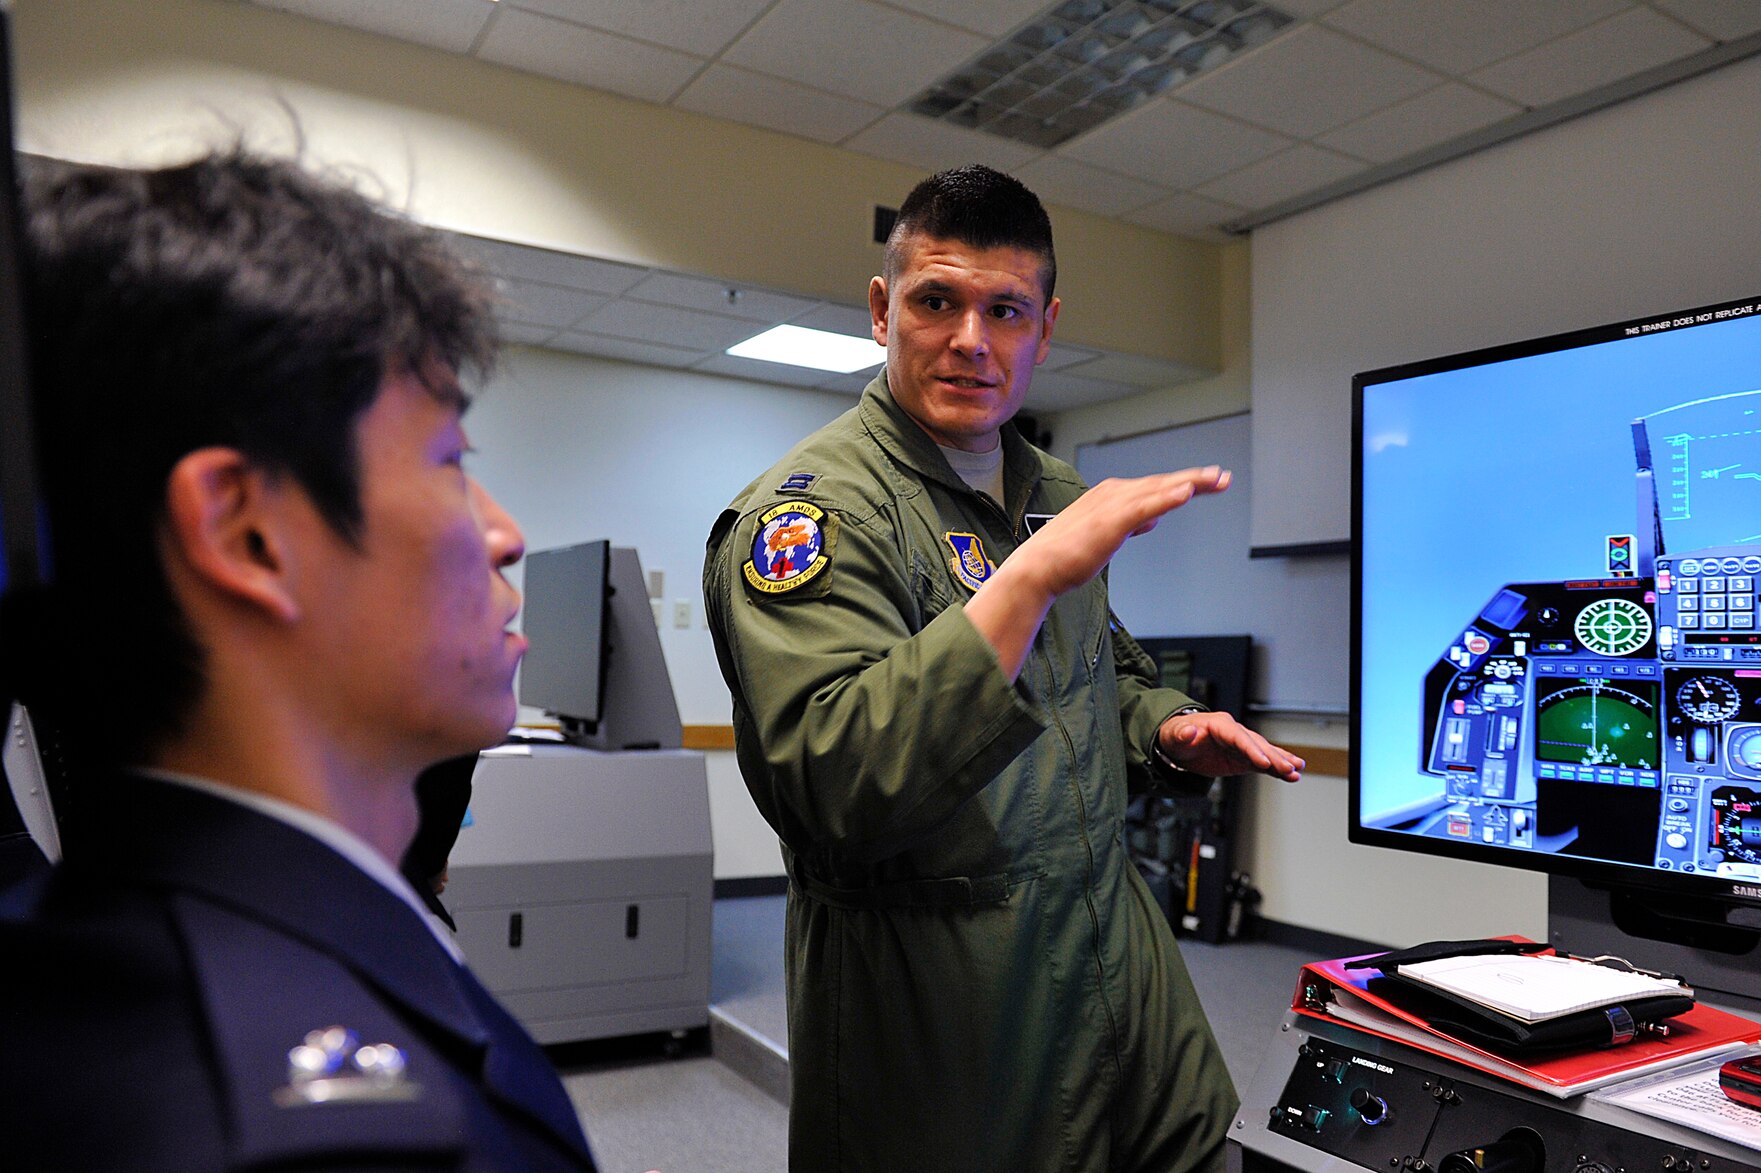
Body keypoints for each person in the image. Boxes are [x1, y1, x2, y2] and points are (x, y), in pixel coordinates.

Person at [0, 152, 596, 1172]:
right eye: (451, 462)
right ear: (248, 536)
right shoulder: (318, 1139)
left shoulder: (131, 942)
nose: (504, 536)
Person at [703, 164, 1305, 1173]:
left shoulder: (1051, 490)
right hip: (941, 986)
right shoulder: (813, 518)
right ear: (880, 310)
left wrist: (1161, 725)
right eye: (936, 301)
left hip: (1112, 945)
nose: (970, 340)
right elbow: (833, 777)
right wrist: (1024, 584)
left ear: (1045, 326)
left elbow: (1097, 672)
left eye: (1005, 310)